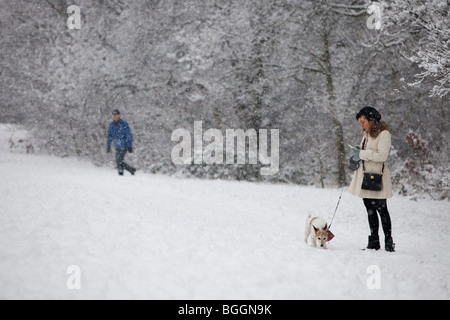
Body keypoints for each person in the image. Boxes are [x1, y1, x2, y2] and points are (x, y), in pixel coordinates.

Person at [348, 107, 395, 252]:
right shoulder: (367, 134)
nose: (361, 125)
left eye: (363, 122)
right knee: (369, 209)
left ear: (372, 120)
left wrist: (361, 153)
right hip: (366, 176)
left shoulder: (384, 134)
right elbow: (366, 153)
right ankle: (374, 240)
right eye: (360, 122)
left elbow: (382, 156)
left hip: (378, 178)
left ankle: (388, 241)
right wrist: (356, 156)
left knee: (382, 210)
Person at [106, 110, 136, 176]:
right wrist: (108, 146)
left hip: (124, 145)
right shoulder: (111, 125)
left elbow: (129, 135)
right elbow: (109, 136)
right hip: (117, 145)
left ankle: (121, 172)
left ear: (119, 115)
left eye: (116, 114)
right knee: (118, 161)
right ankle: (128, 171)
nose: (115, 116)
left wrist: (129, 146)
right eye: (114, 115)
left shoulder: (124, 124)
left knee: (119, 160)